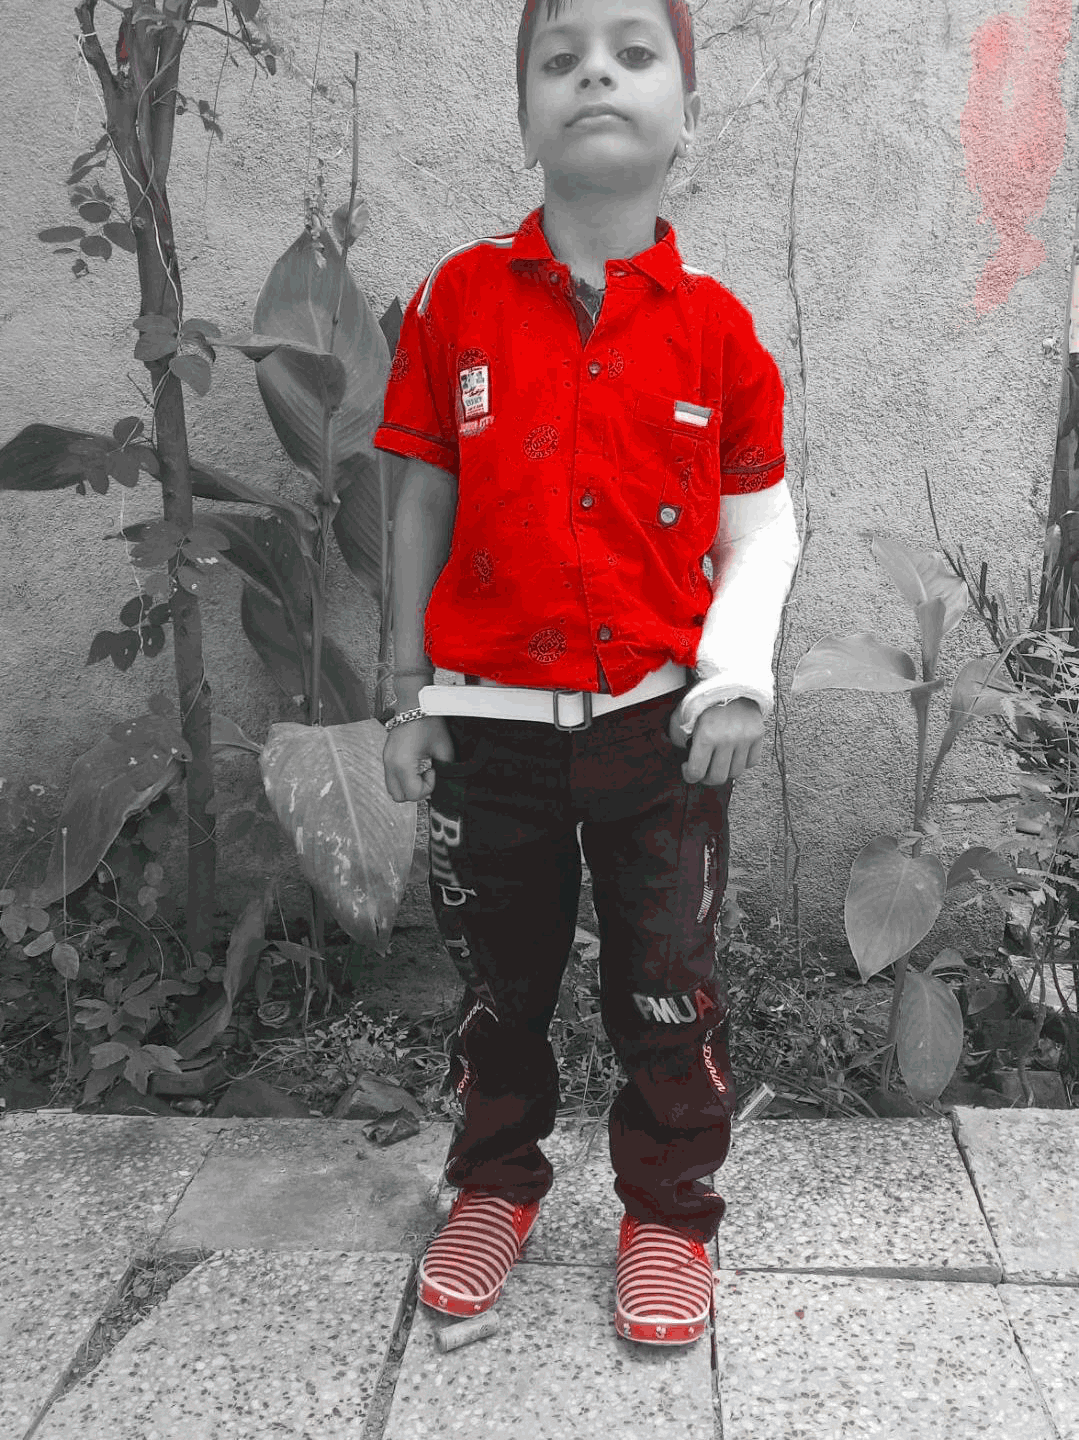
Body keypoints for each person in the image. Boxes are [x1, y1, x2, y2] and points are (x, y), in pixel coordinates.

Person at [375, 0, 800, 1347]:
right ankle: (494, 1185)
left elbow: (761, 529)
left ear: (687, 112)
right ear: (524, 116)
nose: (594, 75)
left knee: (667, 986)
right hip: (484, 729)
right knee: (496, 987)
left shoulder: (719, 332)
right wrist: (405, 690)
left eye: (632, 53)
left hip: (659, 737)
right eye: (558, 60)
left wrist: (734, 675)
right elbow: (419, 499)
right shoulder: (455, 300)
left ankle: (668, 1214)